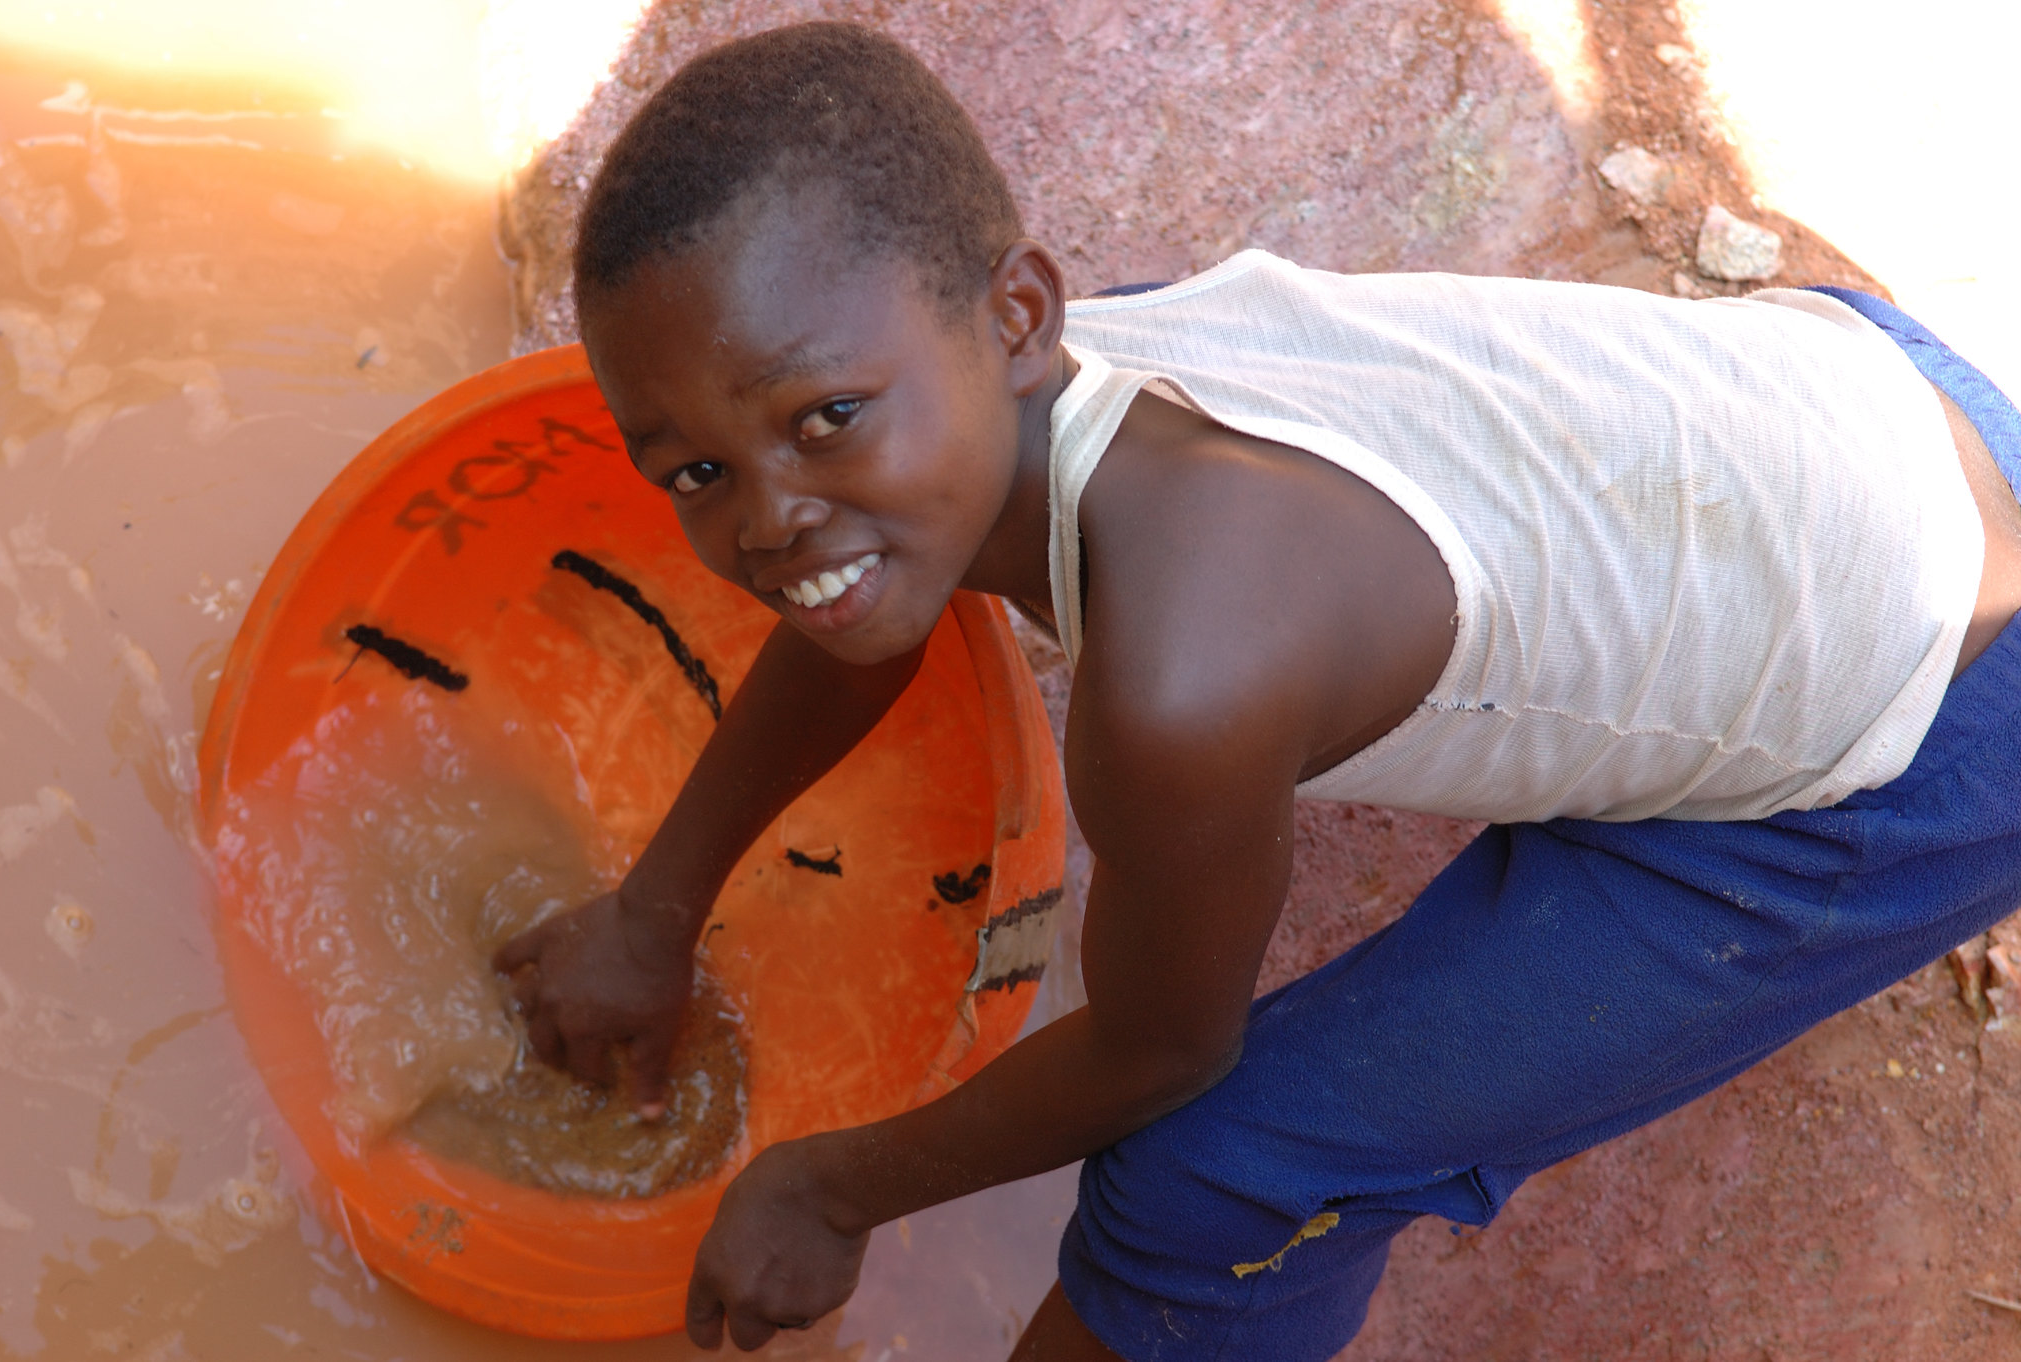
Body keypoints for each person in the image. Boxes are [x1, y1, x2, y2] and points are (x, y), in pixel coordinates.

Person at [490, 20, 2021, 1361]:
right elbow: (852, 603)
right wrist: (653, 906)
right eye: (695, 468)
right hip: (1873, 401)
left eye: (821, 418)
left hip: (1934, 723)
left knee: (1216, 1173)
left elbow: (1164, 1050)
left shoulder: (1186, 681)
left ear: (1017, 316)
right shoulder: (1039, 369)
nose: (763, 519)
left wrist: (831, 1184)